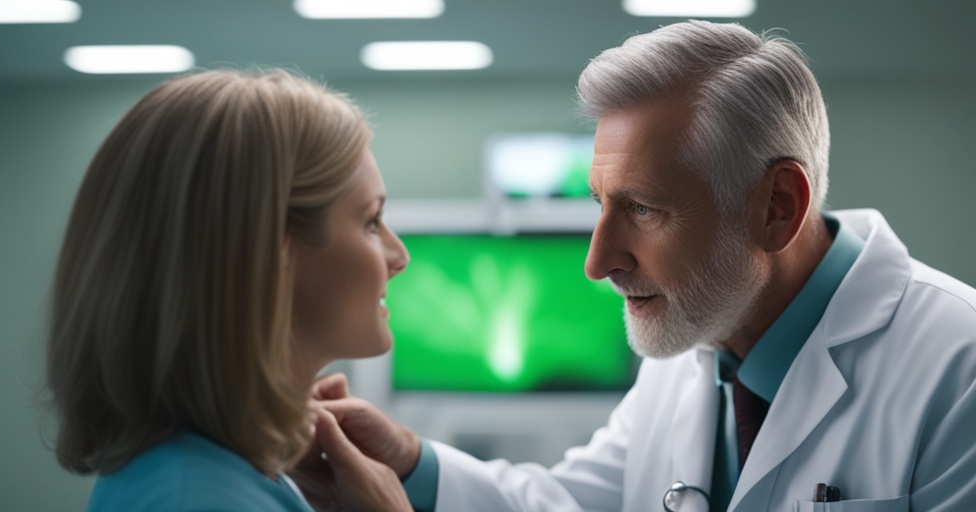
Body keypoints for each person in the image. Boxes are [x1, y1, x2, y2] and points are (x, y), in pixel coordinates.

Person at [298, 20, 976, 511]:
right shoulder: (695, 343)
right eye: (600, 205)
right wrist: (409, 464)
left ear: (778, 206)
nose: (597, 261)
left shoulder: (957, 367)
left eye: (645, 209)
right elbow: (567, 503)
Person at [45, 68, 415, 511]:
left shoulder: (215, 477)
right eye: (372, 221)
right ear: (268, 248)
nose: (400, 256)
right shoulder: (197, 499)